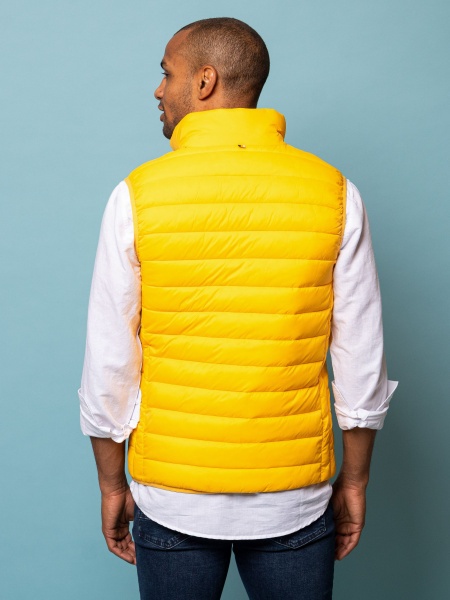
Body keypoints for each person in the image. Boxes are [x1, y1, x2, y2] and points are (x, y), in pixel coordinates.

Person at [79, 17, 398, 600]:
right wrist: (355, 480)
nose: (158, 89)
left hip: (172, 497)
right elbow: (362, 360)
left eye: (167, 73)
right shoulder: (333, 192)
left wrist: (110, 484)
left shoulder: (137, 195)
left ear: (205, 82)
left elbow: (110, 365)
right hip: (294, 500)